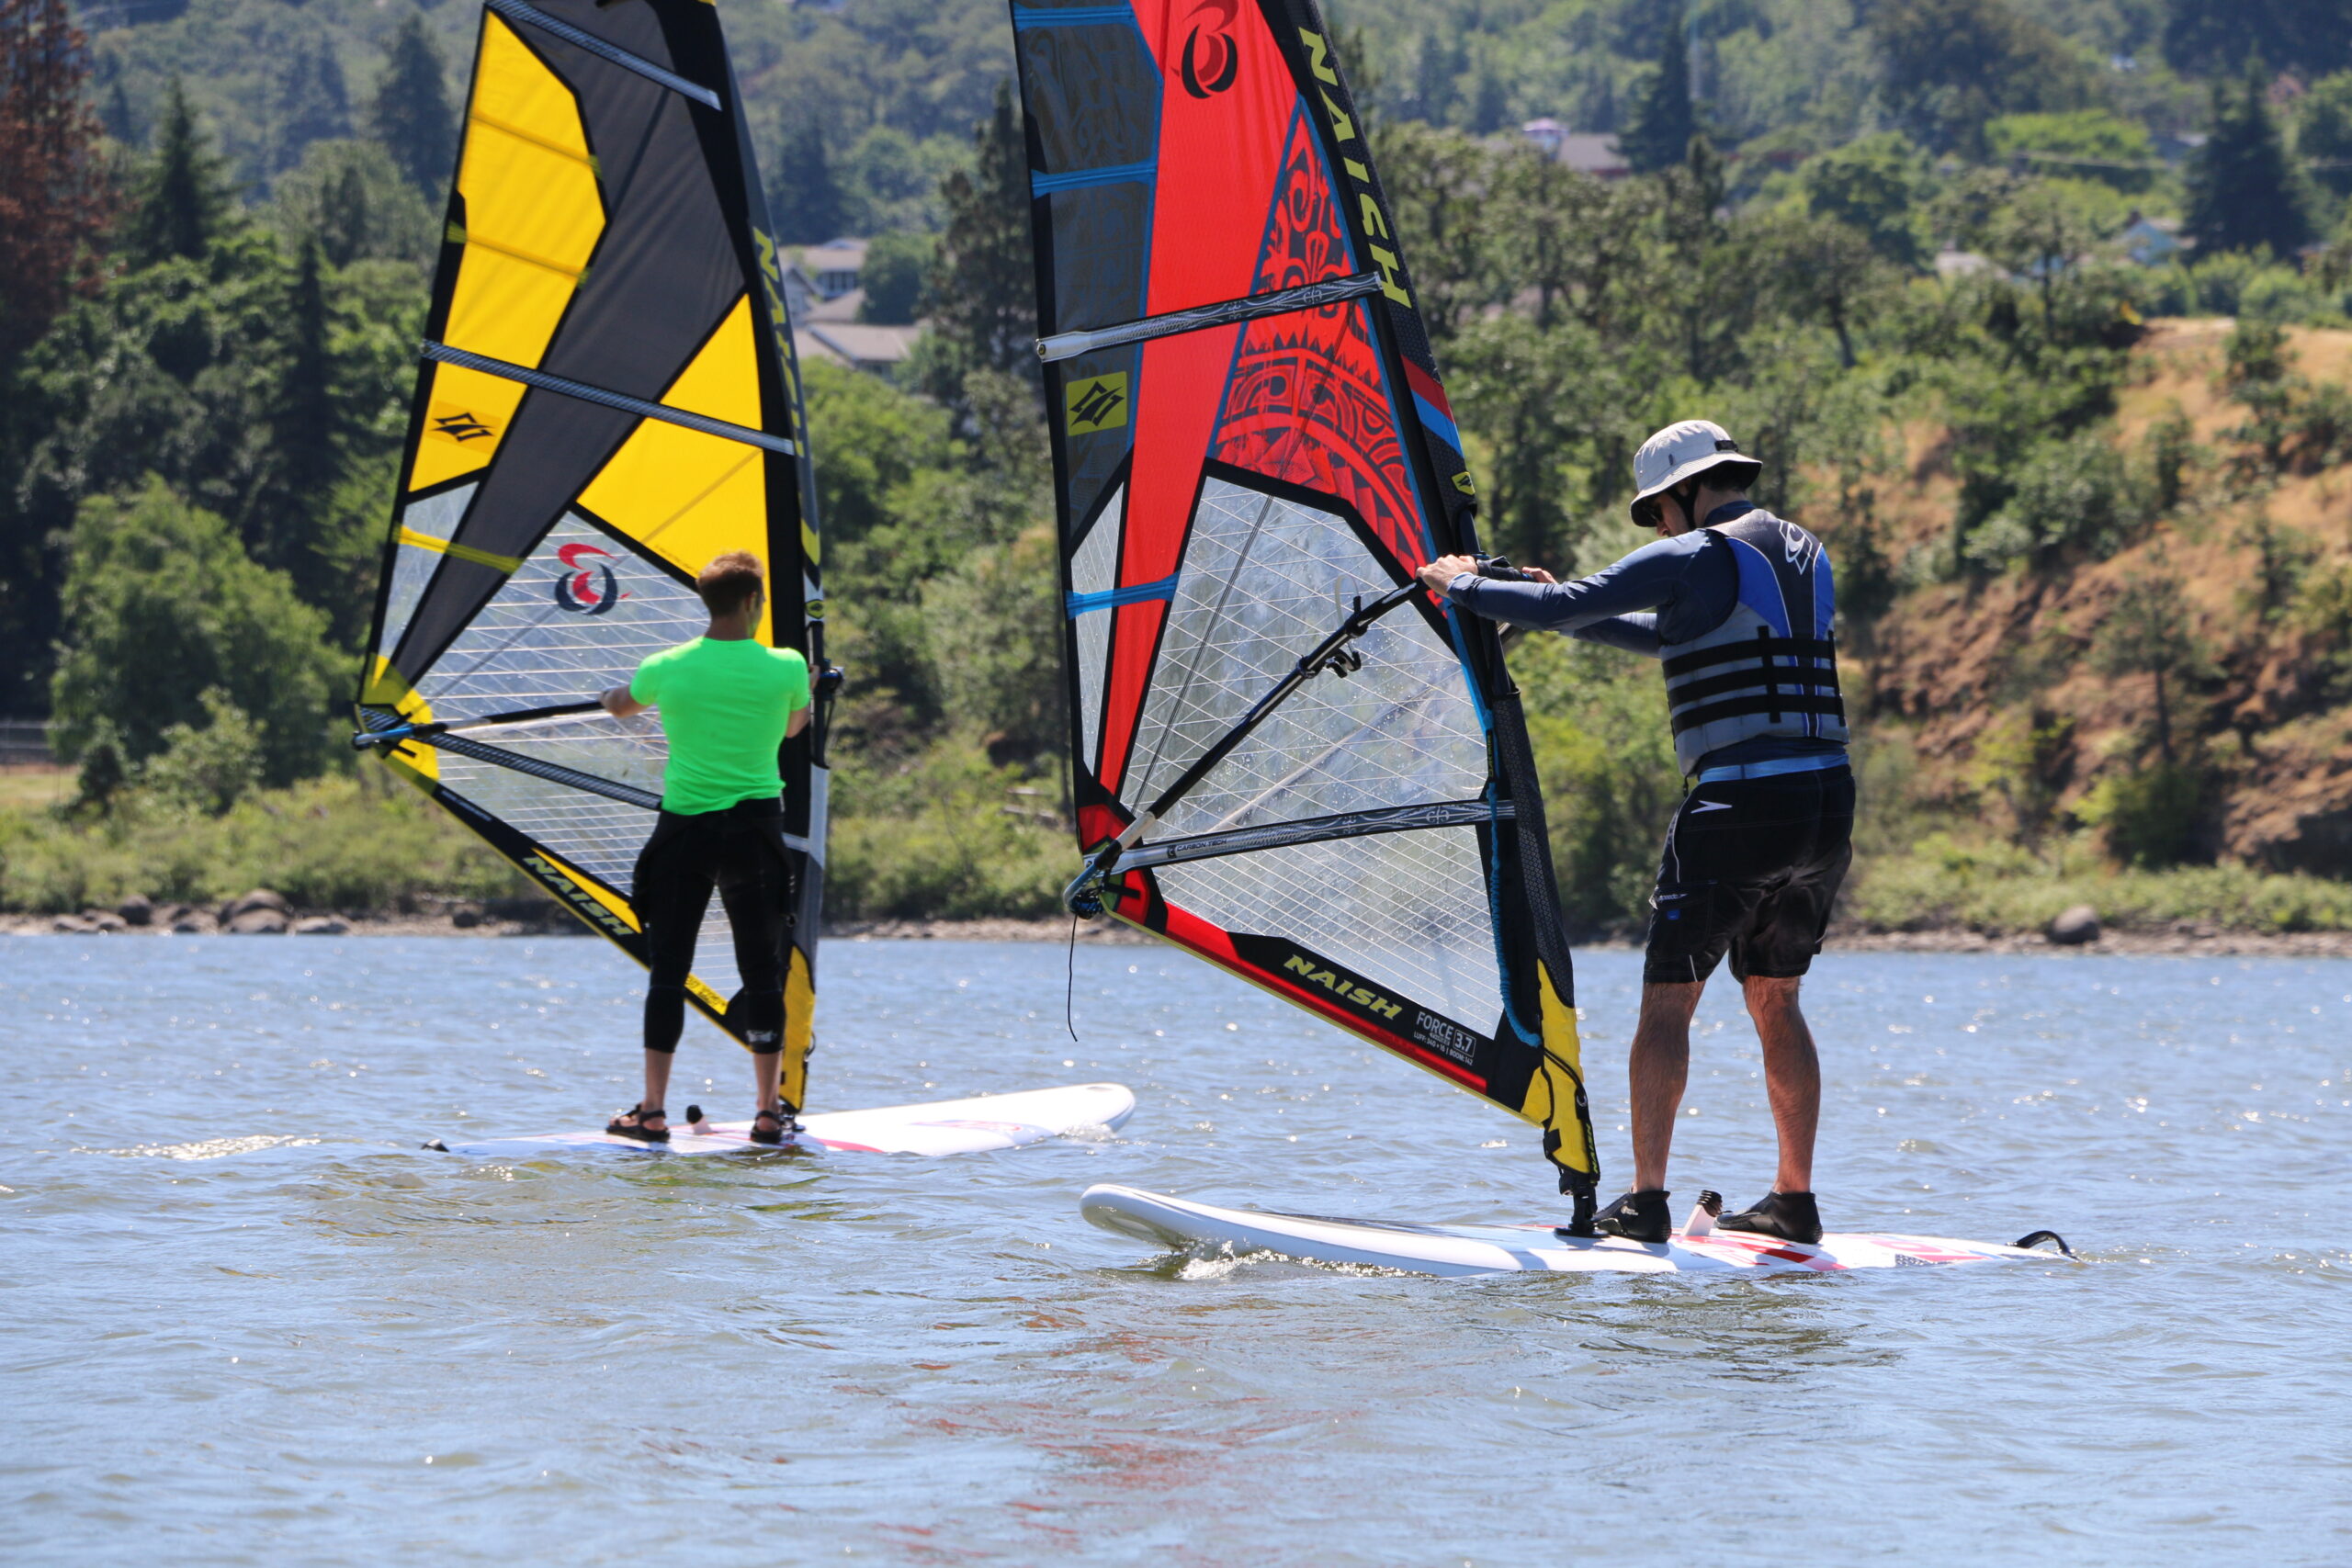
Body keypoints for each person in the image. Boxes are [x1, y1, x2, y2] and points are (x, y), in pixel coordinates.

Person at [1417, 420, 1850, 1245]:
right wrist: (1557, 607)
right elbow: (1660, 634)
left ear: (1684, 494)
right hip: (1826, 806)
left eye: (1656, 511)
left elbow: (1576, 600)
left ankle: (1646, 1200)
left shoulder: (1691, 552)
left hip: (1737, 806)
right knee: (1778, 996)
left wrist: (1461, 583)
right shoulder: (1804, 551)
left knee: (1667, 1003)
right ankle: (1794, 1200)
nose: (1657, 527)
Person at [598, 550, 811, 1146]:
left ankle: (653, 1113)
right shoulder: (787, 665)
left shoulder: (666, 665)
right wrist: (809, 690)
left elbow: (622, 706)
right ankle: (769, 1115)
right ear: (751, 603)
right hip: (755, 833)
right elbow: (795, 726)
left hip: (685, 831)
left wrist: (608, 695)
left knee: (669, 972)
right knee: (762, 973)